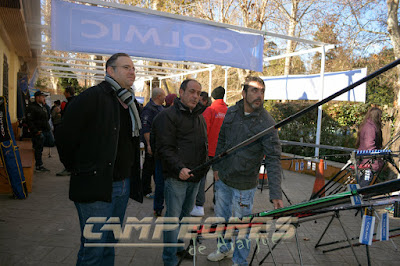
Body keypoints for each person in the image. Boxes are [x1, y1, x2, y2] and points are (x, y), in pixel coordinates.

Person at [56, 53, 143, 265]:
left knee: (109, 244)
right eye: (126, 67)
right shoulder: (92, 97)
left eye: (133, 68)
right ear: (110, 71)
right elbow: (65, 136)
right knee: (93, 249)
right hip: (96, 185)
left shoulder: (130, 102)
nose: (132, 71)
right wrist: (80, 168)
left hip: (122, 185)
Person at [207, 76, 283, 265]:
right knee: (222, 219)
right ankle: (224, 248)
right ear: (244, 93)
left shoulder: (267, 123)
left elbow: (273, 159)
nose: (259, 95)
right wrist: (216, 167)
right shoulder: (232, 112)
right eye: (254, 91)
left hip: (245, 187)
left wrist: (275, 193)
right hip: (223, 179)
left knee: (242, 227)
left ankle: (239, 261)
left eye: (262, 91)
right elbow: (221, 140)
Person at [153, 79, 208, 266]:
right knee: (173, 218)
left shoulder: (199, 116)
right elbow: (163, 148)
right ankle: (168, 259)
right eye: (192, 91)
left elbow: (202, 146)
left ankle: (177, 247)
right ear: (181, 92)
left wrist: (204, 167)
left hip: (195, 178)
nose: (195, 96)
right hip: (176, 178)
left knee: (184, 217)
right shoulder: (167, 116)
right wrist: (179, 168)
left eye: (198, 93)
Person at [190, 86, 228, 217]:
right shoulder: (228, 111)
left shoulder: (210, 110)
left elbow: (202, 131)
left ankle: (199, 205)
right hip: (223, 152)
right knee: (220, 178)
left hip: (208, 150)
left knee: (202, 178)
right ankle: (218, 204)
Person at [151, 93, 177, 217]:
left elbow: (152, 135)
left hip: (160, 155)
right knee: (169, 184)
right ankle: (170, 209)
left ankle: (158, 208)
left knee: (160, 184)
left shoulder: (159, 114)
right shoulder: (175, 116)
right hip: (170, 156)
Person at [141, 87, 166, 199]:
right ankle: (145, 190)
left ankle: (159, 189)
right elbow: (146, 129)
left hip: (159, 144)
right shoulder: (149, 109)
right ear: (159, 96)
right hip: (152, 144)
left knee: (156, 167)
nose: (165, 97)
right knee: (148, 167)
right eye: (163, 95)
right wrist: (149, 144)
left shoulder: (160, 108)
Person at [356, 106, 384, 186]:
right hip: (368, 161)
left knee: (363, 182)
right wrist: (377, 157)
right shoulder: (370, 128)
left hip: (364, 159)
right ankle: (361, 196)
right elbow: (369, 145)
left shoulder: (366, 125)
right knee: (365, 183)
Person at [26, 91, 52, 172]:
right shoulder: (31, 107)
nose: (44, 98)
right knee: (38, 149)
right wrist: (36, 131)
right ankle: (39, 166)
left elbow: (47, 116)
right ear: (37, 97)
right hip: (38, 132)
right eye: (42, 97)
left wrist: (45, 106)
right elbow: (29, 121)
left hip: (45, 130)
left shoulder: (42, 106)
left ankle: (39, 164)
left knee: (51, 143)